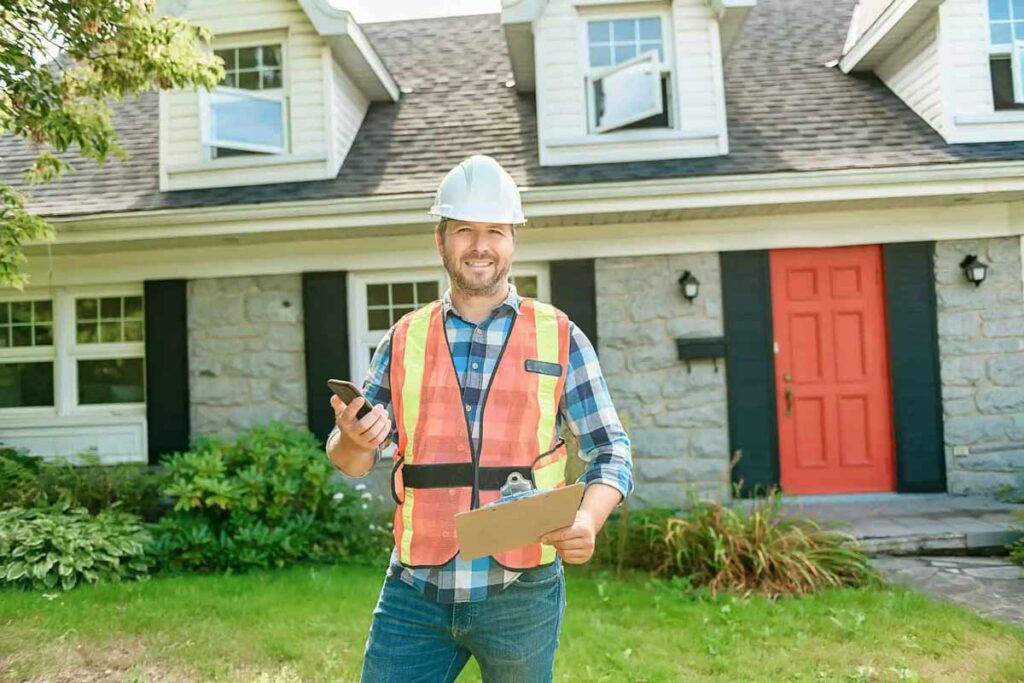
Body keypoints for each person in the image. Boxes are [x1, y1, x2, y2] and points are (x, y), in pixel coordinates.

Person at [325, 154, 633, 683]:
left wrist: (588, 519)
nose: (481, 245)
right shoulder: (404, 339)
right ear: (440, 240)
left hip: (522, 591)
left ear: (512, 241)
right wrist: (353, 438)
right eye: (465, 230)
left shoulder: (559, 335)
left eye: (494, 230)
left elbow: (612, 449)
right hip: (414, 589)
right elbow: (350, 459)